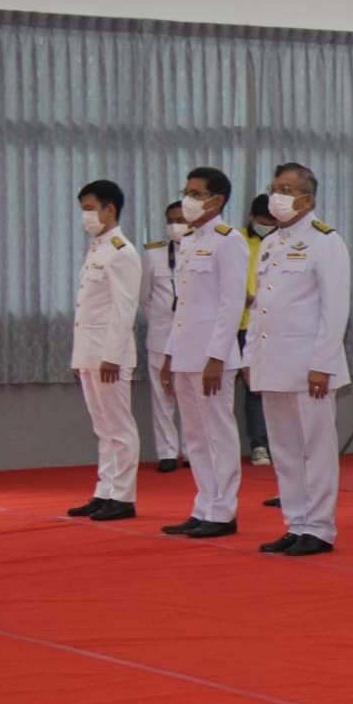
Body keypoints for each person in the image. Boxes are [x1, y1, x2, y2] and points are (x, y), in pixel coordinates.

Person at [245, 162, 350, 557]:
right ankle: (296, 522)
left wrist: (322, 364)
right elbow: (261, 306)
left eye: (287, 189)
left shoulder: (326, 241)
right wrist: (250, 356)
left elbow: (334, 309)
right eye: (275, 187)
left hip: (309, 365)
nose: (278, 196)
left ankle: (319, 527)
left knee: (316, 449)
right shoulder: (272, 242)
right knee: (284, 449)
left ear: (307, 199)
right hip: (272, 361)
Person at [159, 166, 249, 540]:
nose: (188, 199)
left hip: (213, 355)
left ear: (217, 200)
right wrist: (169, 354)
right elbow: (182, 306)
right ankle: (204, 505)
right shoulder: (189, 240)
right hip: (185, 351)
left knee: (218, 433)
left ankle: (223, 511)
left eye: (196, 193)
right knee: (194, 435)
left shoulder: (229, 240)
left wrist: (217, 356)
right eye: (187, 191)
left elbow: (232, 303)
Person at [67, 179, 143, 522]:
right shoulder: (98, 248)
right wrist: (80, 356)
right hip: (90, 352)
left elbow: (124, 309)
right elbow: (87, 308)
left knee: (119, 427)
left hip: (110, 355)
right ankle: (105, 491)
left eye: (89, 208)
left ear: (109, 209)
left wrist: (111, 356)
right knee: (102, 427)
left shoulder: (122, 251)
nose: (85, 215)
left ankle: (123, 496)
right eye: (83, 209)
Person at [140, 201, 187, 472]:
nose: (175, 225)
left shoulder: (205, 252)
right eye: (171, 220)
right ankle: (167, 452)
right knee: (162, 397)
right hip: (161, 336)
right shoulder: (154, 254)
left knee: (191, 399)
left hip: (192, 339)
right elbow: (144, 298)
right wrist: (161, 321)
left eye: (181, 219)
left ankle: (191, 451)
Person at [239, 194, 275, 467]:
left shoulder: (281, 242)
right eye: (263, 221)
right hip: (237, 324)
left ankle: (273, 443)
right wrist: (241, 295)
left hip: (269, 325)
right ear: (252, 217)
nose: (266, 226)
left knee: (267, 387)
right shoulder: (237, 239)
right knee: (250, 387)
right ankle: (258, 444)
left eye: (271, 222)